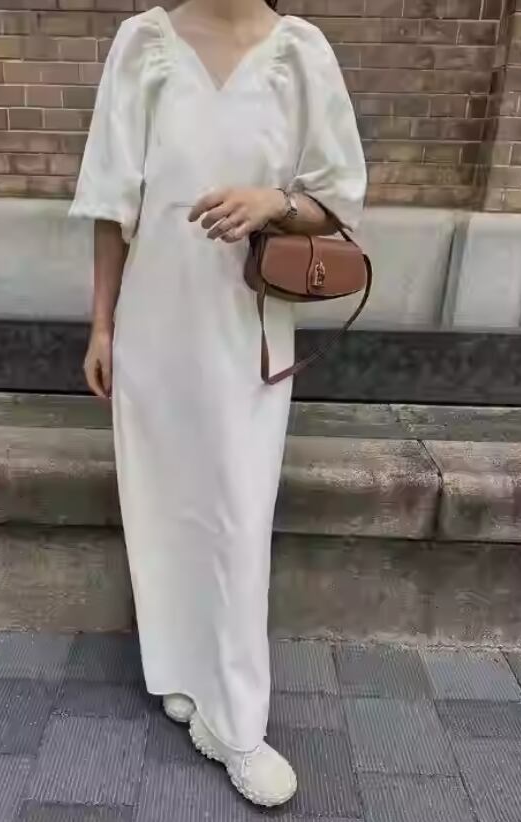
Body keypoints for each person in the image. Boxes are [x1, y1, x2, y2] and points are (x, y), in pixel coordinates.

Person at [69, 0, 366, 807]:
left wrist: (275, 202)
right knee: (162, 505)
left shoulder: (299, 52)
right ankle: (179, 675)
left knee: (236, 515)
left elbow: (338, 196)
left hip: (245, 332)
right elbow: (112, 202)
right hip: (152, 326)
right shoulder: (143, 44)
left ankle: (237, 724)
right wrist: (102, 327)